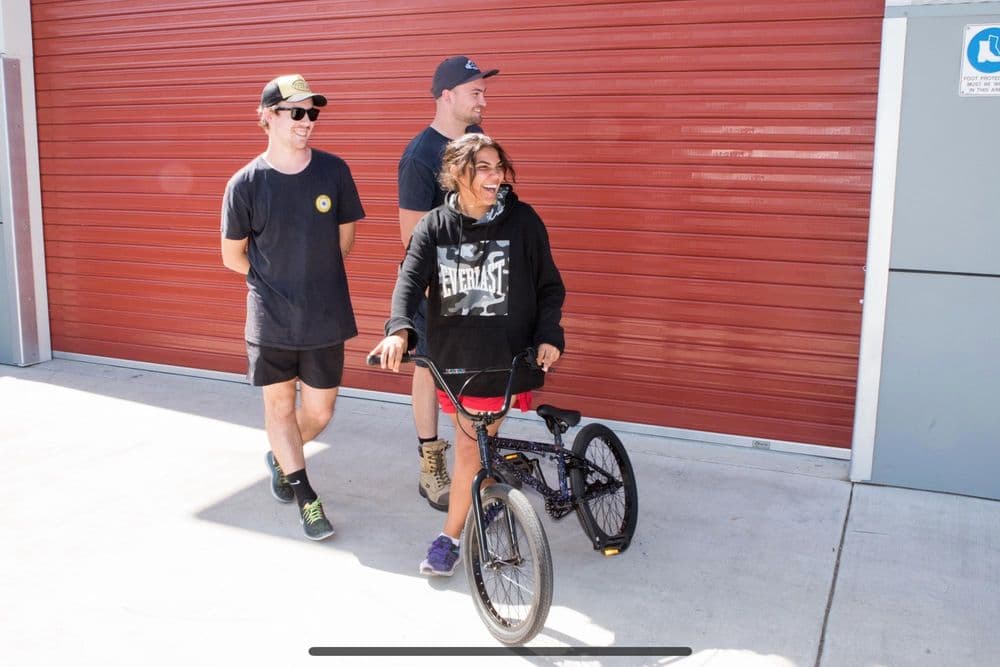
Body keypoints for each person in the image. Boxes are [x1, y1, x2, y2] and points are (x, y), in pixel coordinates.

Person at [371, 133, 566, 575]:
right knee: (476, 449)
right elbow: (408, 281)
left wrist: (550, 335)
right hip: (457, 362)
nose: (496, 176)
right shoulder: (436, 226)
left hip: (508, 359)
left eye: (499, 167)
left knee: (468, 451)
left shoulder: (523, 222)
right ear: (458, 174)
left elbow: (549, 286)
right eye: (484, 168)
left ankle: (450, 537)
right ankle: (484, 492)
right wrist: (399, 330)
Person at [221, 74, 365, 541]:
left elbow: (344, 239)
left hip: (326, 313)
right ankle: (306, 496)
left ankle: (281, 457)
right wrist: (274, 285)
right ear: (267, 117)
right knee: (279, 407)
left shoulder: (334, 171)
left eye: (312, 113)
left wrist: (312, 277)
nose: (307, 121)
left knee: (320, 412)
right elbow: (232, 255)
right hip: (271, 318)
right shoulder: (245, 183)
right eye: (296, 112)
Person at [397, 55, 500, 513]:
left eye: (483, 91)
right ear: (447, 96)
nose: (484, 99)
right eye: (475, 91)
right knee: (429, 367)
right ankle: (430, 462)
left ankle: (476, 455)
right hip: (439, 288)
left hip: (487, 280)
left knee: (484, 368)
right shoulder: (421, 156)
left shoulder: (482, 147)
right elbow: (412, 235)